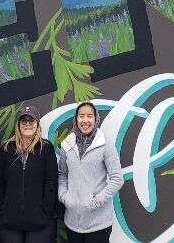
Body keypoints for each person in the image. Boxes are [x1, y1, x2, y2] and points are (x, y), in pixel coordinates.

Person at [57, 102, 123, 243]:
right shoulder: (67, 144)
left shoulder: (105, 144)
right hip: (72, 222)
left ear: (95, 119)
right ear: (76, 119)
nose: (85, 120)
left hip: (98, 224)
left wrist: (96, 202)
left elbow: (117, 178)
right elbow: (62, 173)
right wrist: (64, 196)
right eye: (81, 116)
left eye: (89, 116)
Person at [0, 105, 57, 243]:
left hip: (40, 221)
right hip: (10, 221)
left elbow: (51, 182)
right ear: (18, 125)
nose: (27, 124)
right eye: (24, 121)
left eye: (31, 120)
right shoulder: (5, 148)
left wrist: (46, 209)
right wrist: (1, 210)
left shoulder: (46, 148)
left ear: (37, 124)